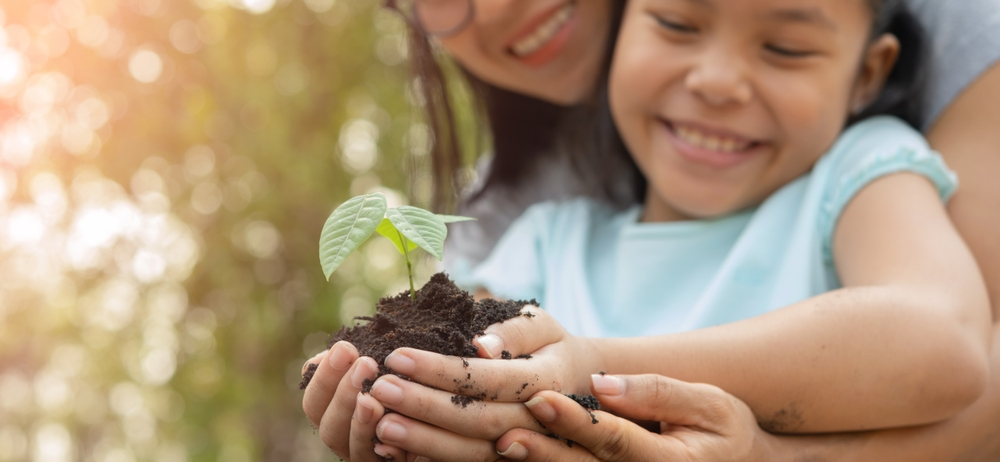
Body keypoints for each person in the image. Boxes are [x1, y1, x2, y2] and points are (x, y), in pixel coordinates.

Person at [300, 1, 1000, 461]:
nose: (718, 81)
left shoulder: (860, 175)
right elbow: (474, 376)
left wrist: (596, 365)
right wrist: (406, 410)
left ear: (868, 72)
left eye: (786, 48)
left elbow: (947, 338)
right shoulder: (542, 241)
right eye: (675, 23)